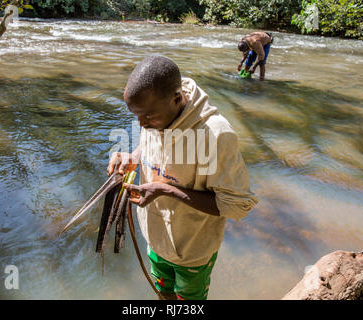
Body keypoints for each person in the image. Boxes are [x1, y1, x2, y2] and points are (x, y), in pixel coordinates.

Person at [107, 55, 258, 300]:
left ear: (177, 99)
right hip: (156, 240)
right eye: (136, 116)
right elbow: (149, 146)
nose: (141, 124)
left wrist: (167, 190)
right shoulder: (157, 114)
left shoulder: (215, 135)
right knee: (163, 293)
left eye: (147, 117)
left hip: (192, 253)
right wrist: (131, 157)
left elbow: (235, 206)